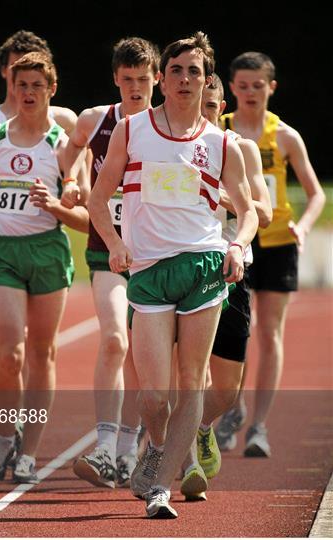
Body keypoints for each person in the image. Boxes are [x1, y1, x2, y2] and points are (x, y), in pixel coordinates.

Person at [88, 32, 258, 518]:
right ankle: (157, 446)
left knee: (191, 384)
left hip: (203, 265)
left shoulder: (222, 142)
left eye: (195, 72)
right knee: (154, 394)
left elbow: (246, 211)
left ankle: (161, 487)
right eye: (177, 70)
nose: (185, 79)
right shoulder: (133, 129)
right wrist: (117, 244)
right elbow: (99, 201)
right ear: (161, 78)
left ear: (207, 83)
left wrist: (239, 245)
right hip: (148, 270)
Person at [0, 52, 89, 484]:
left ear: (51, 91)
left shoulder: (63, 143)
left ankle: (29, 451)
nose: (29, 93)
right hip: (2, 255)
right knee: (10, 352)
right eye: (22, 85)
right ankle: (3, 435)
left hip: (48, 252)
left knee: (41, 353)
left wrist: (61, 199)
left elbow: (81, 198)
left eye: (37, 85)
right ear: (11, 89)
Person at [63, 37, 160, 489]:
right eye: (128, 80)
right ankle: (104, 445)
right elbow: (70, 154)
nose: (136, 88)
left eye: (143, 79)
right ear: (116, 79)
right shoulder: (96, 120)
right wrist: (70, 180)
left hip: (158, 253)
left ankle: (128, 447)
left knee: (147, 359)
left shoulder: (171, 126)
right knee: (114, 340)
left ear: (157, 78)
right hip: (107, 248)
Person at [217, 52, 325, 457]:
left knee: (269, 333)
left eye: (257, 86)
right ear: (231, 87)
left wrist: (304, 226)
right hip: (236, 239)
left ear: (271, 87)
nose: (249, 93)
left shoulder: (284, 136)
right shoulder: (219, 128)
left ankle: (259, 426)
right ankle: (232, 407)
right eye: (242, 85)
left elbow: (314, 194)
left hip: (277, 242)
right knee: (234, 332)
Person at [178, 74, 273, 500]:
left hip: (232, 271)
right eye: (202, 107)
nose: (207, 114)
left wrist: (222, 197)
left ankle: (199, 428)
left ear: (223, 109)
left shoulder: (240, 148)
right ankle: (185, 462)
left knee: (227, 389)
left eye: (213, 108)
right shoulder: (176, 148)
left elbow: (265, 214)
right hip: (186, 270)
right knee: (189, 375)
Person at [0, 30, 78, 200]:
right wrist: (4, 178)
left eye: (34, 66)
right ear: (4, 70)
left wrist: (68, 187)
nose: (26, 71)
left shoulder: (65, 120)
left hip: (47, 223)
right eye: (18, 65)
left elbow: (83, 189)